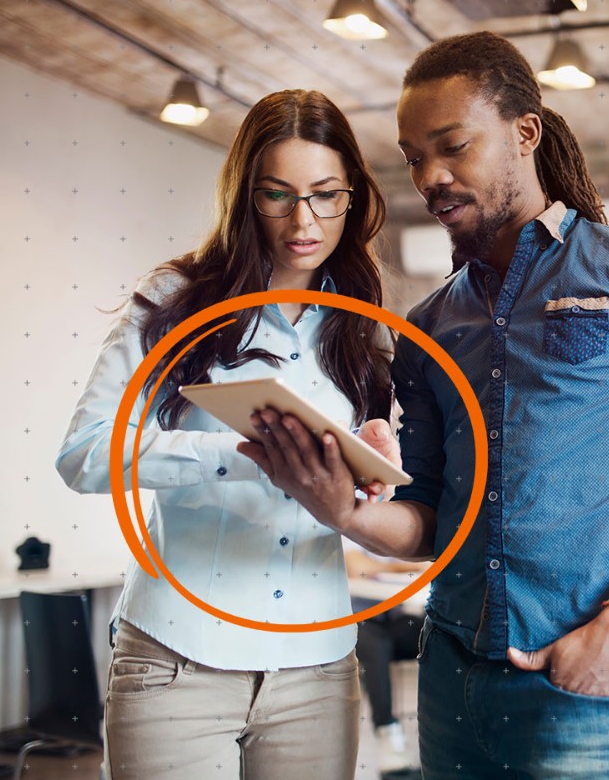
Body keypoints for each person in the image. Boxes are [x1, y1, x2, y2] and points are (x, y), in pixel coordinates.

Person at [238, 31, 609, 779]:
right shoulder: (427, 326)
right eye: (414, 157)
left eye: (453, 146)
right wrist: (343, 511)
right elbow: (429, 520)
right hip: (450, 680)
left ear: (526, 133)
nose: (431, 176)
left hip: (581, 678)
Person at [56, 89, 392, 780]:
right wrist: (244, 454)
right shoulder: (175, 300)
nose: (303, 220)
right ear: (246, 195)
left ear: (353, 197)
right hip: (176, 660)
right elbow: (85, 452)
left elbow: (372, 487)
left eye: (326, 195)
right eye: (278, 195)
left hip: (317, 669)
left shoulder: (364, 327)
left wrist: (376, 462)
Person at [343, 542, 428, 775]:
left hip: (395, 618)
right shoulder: (348, 529)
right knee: (374, 643)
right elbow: (357, 568)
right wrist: (406, 566)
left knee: (436, 634)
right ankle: (388, 738)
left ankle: (440, 734)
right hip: (357, 621)